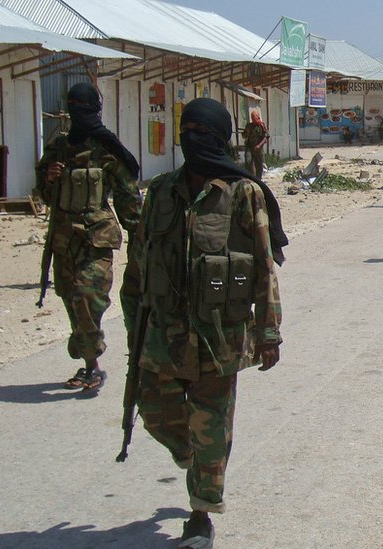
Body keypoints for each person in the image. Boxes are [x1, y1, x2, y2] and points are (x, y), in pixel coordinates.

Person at [121, 97, 285, 548]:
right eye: (186, 130)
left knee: (211, 428)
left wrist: (269, 333)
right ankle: (190, 454)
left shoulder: (242, 193)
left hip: (219, 338)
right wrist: (133, 325)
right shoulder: (160, 192)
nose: (191, 138)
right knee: (156, 415)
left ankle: (200, 514)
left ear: (220, 137)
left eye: (201, 131)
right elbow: (138, 264)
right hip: (163, 335)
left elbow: (264, 268)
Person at [34, 82, 142, 393]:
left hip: (97, 239)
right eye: (74, 108)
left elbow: (127, 194)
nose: (78, 114)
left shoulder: (106, 150)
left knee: (86, 297)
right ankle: (89, 360)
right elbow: (45, 195)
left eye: (83, 108)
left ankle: (92, 364)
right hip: (64, 241)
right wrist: (50, 179)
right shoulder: (58, 149)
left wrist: (140, 235)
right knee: (72, 300)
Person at [241, 108, 268, 180]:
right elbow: (244, 135)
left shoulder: (261, 126)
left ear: (258, 117)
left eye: (254, 117)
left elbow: (266, 137)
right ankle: (251, 178)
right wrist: (246, 132)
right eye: (252, 117)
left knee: (259, 165)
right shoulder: (249, 126)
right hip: (249, 147)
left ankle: (258, 179)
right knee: (248, 161)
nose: (253, 119)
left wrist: (259, 145)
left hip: (258, 148)